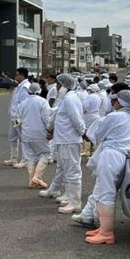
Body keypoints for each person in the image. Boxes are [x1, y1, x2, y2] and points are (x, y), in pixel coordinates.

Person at [84, 90, 130, 244]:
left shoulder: (114, 116)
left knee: (106, 192)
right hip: (126, 155)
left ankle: (106, 232)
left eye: (114, 100)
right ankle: (104, 227)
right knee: (106, 190)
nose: (112, 103)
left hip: (111, 155)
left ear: (119, 102)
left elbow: (98, 135)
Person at [44, 73, 86, 214]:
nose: (57, 87)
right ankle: (70, 197)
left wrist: (82, 133)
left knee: (73, 171)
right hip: (64, 140)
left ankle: (75, 203)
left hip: (69, 140)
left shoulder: (70, 99)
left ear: (65, 86)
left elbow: (76, 119)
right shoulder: (66, 98)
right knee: (67, 170)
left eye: (59, 85)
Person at [17, 82, 52, 188]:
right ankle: (37, 177)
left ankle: (32, 181)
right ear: (40, 91)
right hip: (40, 133)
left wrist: (21, 133)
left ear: (28, 91)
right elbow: (47, 119)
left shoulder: (22, 104)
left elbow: (17, 121)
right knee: (46, 153)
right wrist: (50, 131)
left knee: (31, 157)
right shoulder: (43, 102)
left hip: (26, 134)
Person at [4, 67, 31, 167]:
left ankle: (25, 159)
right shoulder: (19, 86)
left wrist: (21, 118)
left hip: (19, 118)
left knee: (23, 137)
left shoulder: (25, 87)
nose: (15, 76)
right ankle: (13, 158)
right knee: (12, 137)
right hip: (14, 117)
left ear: (22, 75)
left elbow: (24, 104)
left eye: (17, 74)